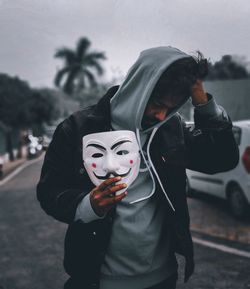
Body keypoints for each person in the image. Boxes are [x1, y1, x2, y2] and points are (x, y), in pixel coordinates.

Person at [36, 46, 239, 289]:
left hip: (162, 279)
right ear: (138, 88)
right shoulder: (77, 129)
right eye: (157, 103)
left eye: (171, 107)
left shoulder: (170, 128)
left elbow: (221, 159)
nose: (162, 114)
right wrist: (88, 205)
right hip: (95, 280)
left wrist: (203, 103)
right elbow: (49, 192)